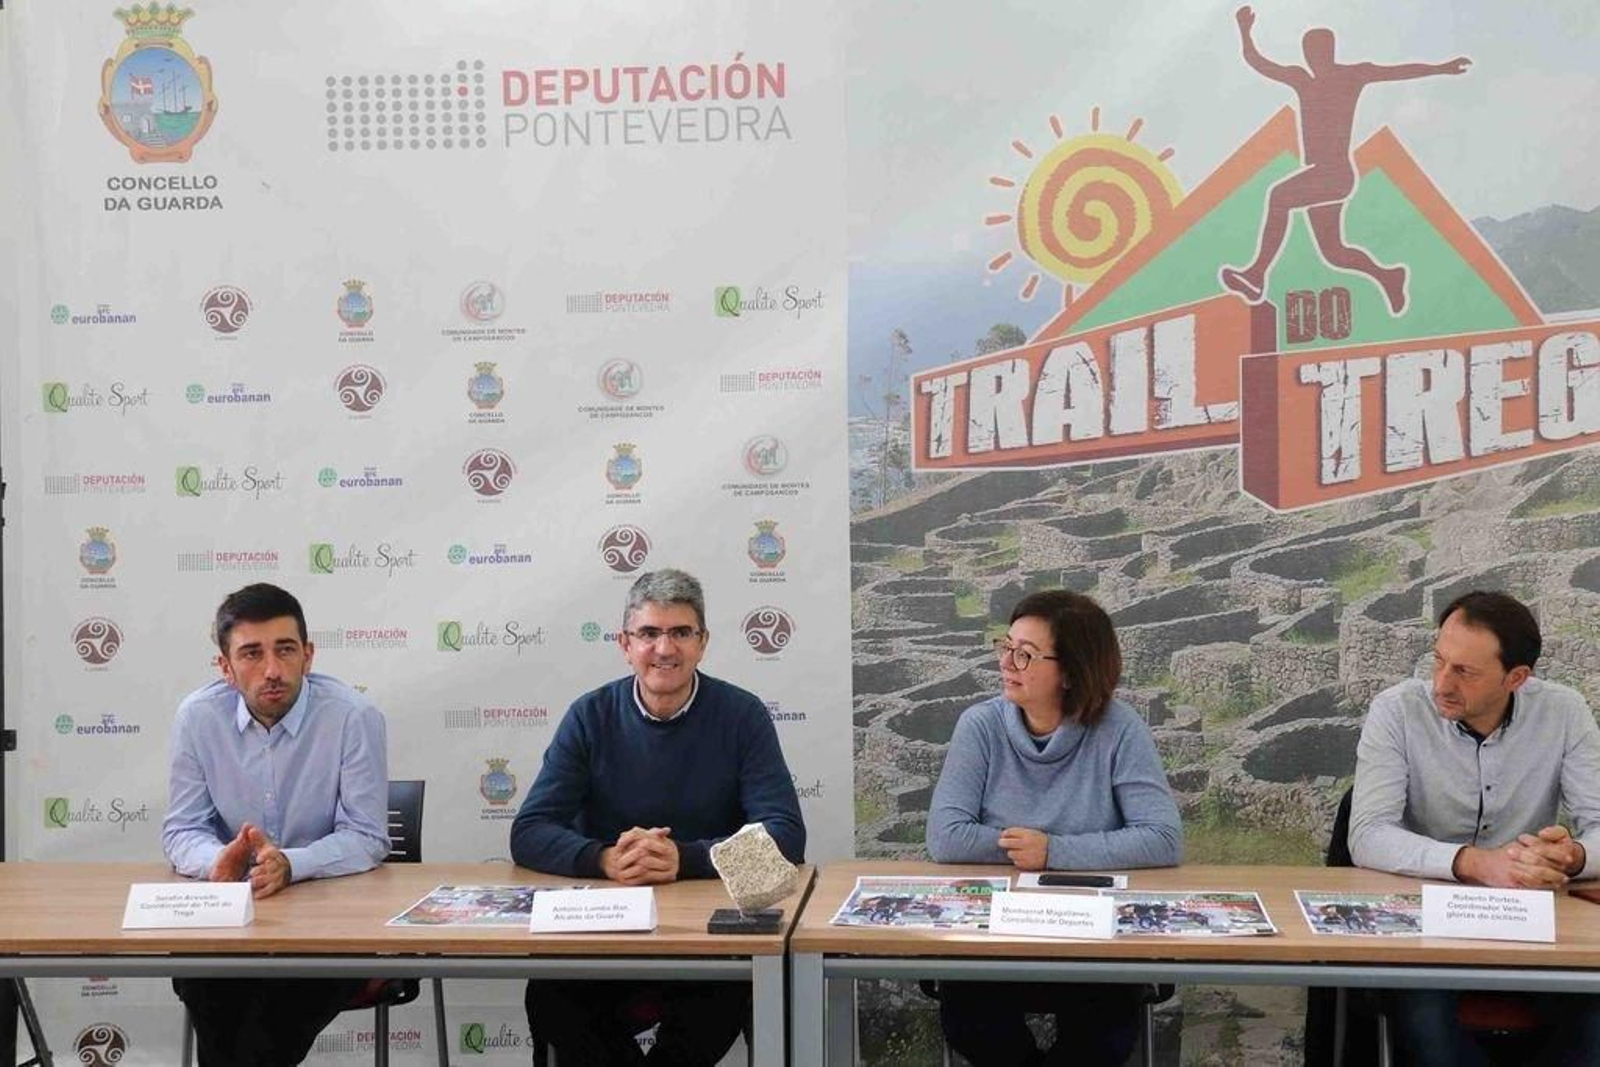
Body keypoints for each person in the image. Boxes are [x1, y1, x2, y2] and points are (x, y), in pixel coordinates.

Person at [510, 568, 805, 1065]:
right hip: (604, 935)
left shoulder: (742, 715)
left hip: (705, 943)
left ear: (702, 642)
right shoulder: (590, 715)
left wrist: (683, 859)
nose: (664, 649)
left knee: (726, 995)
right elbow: (529, 831)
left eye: (680, 633)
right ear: (625, 644)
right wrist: (602, 859)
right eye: (649, 633)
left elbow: (785, 838)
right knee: (552, 998)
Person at [926, 589, 1182, 1066]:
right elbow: (946, 836)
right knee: (972, 1021)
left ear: (1071, 671)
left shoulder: (1120, 730)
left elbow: (1162, 837)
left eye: (1025, 654)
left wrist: (1053, 851)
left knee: (1104, 1036)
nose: (1007, 663)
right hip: (993, 937)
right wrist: (1028, 850)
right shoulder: (979, 726)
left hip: (1092, 939)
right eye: (1006, 647)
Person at [1350, 590, 1600, 1065]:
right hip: (1424, 929)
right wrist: (1474, 863)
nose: (1442, 682)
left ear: (1517, 678)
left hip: (1534, 930)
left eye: (1464, 671)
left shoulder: (1564, 712)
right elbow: (1367, 834)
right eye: (1439, 660)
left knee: (1594, 1021)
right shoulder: (1398, 711)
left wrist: (1574, 857)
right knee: (1427, 1027)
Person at [161, 583, 389, 1067]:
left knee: (260, 1040)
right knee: (214, 1002)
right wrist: (215, 861)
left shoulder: (353, 718)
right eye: (250, 653)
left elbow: (367, 836)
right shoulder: (197, 718)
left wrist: (291, 863)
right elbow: (183, 830)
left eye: (285, 650)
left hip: (329, 930)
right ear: (224, 667)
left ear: (308, 655)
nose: (271, 670)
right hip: (231, 924)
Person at [1218, 6, 1470, 314]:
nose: (1314, 58)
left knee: (1279, 196)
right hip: (1319, 175)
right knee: (1334, 253)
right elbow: (1260, 64)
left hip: (1334, 174)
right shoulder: (1302, 80)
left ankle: (1256, 275)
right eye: (1309, 52)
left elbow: (1397, 71)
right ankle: (1388, 276)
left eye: (1319, 51)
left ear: (1330, 51)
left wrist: (1441, 68)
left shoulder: (1351, 75)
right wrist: (1245, 31)